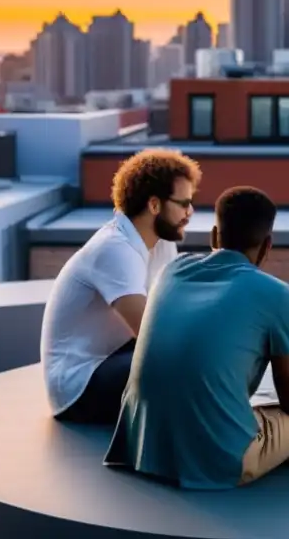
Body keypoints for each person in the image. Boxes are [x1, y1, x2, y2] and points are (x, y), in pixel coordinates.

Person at [105, 186, 289, 489]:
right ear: (267, 246)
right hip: (220, 459)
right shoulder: (277, 294)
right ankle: (275, 452)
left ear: (215, 236)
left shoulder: (171, 271)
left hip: (141, 447)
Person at [40, 148, 200, 424]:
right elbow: (152, 332)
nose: (190, 212)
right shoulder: (115, 249)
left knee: (197, 361)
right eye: (183, 203)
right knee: (185, 367)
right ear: (154, 205)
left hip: (115, 354)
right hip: (78, 386)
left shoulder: (162, 243)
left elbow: (175, 308)